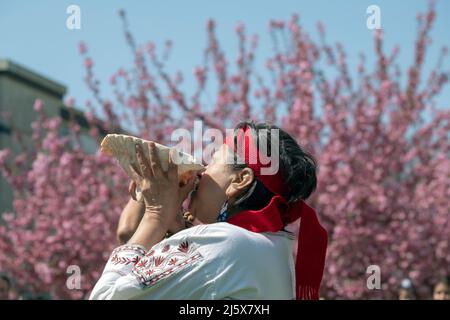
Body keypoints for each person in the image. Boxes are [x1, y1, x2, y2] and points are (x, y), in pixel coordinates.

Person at [90, 121, 328, 300]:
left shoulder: (225, 243)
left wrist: (156, 214)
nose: (201, 171)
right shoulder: (274, 249)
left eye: (213, 161)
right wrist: (175, 236)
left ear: (240, 180)